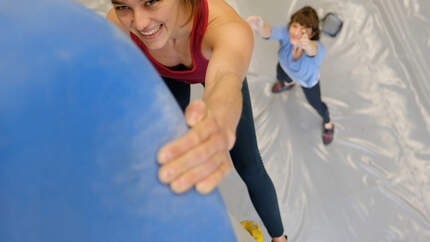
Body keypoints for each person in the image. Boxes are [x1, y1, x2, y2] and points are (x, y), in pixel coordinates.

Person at [106, 0, 288, 241]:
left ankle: (280, 238)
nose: (139, 23)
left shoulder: (225, 27)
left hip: (209, 66)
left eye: (151, 1)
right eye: (123, 6)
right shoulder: (117, 24)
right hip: (166, 75)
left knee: (250, 166)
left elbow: (226, 77)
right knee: (169, 150)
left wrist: (220, 119)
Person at [247, 6, 335, 145]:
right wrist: (259, 27)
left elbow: (314, 50)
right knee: (281, 78)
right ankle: (287, 83)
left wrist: (307, 45)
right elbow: (268, 32)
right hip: (285, 68)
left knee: (317, 104)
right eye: (295, 26)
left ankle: (328, 123)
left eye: (304, 30)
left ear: (312, 35)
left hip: (307, 82)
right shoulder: (286, 33)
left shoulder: (317, 48)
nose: (297, 32)